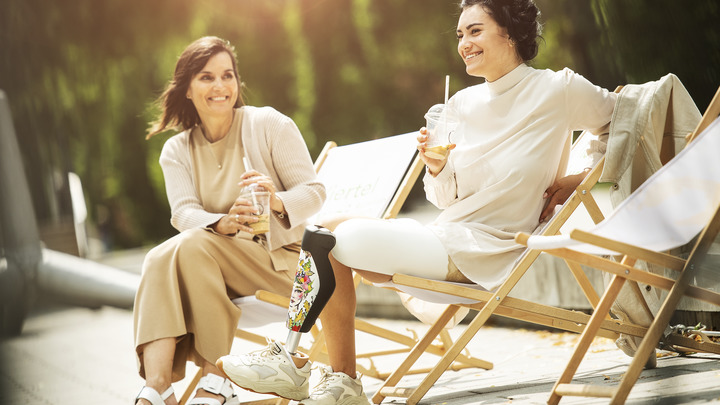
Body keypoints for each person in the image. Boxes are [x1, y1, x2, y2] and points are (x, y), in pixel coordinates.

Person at [216, 0, 616, 403]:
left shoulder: (558, 89)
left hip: (489, 248)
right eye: (460, 35)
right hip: (448, 233)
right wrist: (436, 167)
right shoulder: (460, 105)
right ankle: (321, 371)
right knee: (325, 233)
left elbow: (633, 119)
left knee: (332, 239)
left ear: (510, 32)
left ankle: (304, 366)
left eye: (475, 31)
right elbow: (445, 199)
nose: (464, 43)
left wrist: (583, 175)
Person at [133, 36, 325, 405]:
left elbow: (315, 191)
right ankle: (157, 386)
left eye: (227, 76)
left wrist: (275, 200)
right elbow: (183, 213)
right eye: (206, 78)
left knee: (190, 246)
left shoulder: (268, 124)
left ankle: (217, 378)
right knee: (158, 257)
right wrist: (221, 223)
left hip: (287, 267)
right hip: (212, 267)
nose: (220, 86)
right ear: (187, 89)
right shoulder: (177, 149)